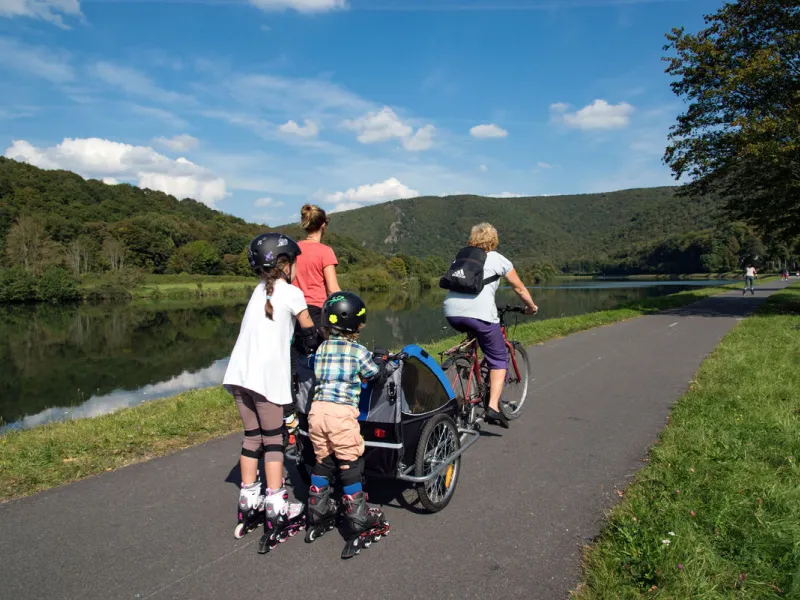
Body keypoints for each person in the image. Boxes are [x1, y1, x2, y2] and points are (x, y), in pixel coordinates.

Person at [223, 232, 322, 554]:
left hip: (238, 376)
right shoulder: (292, 293)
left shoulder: (258, 291)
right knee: (275, 440)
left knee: (252, 437)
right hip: (265, 380)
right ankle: (278, 506)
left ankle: (249, 499)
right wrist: (318, 343)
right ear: (286, 263)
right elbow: (310, 331)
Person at [305, 291, 390, 558]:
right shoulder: (357, 351)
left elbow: (313, 365)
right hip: (341, 415)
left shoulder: (321, 349)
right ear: (356, 325)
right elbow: (375, 376)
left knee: (324, 459)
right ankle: (357, 517)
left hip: (316, 413)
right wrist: (381, 361)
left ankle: (317, 510)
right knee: (349, 462)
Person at [443, 222, 538, 429]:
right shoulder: (498, 259)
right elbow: (519, 288)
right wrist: (531, 307)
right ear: (494, 240)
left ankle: (468, 363)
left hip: (451, 312)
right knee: (499, 359)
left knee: (474, 335)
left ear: (472, 239)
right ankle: (493, 407)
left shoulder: (461, 258)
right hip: (481, 315)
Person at [293, 204, 340, 328]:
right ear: (323, 225)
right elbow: (332, 290)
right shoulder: (326, 251)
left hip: (293, 311)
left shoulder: (293, 249)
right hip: (316, 312)